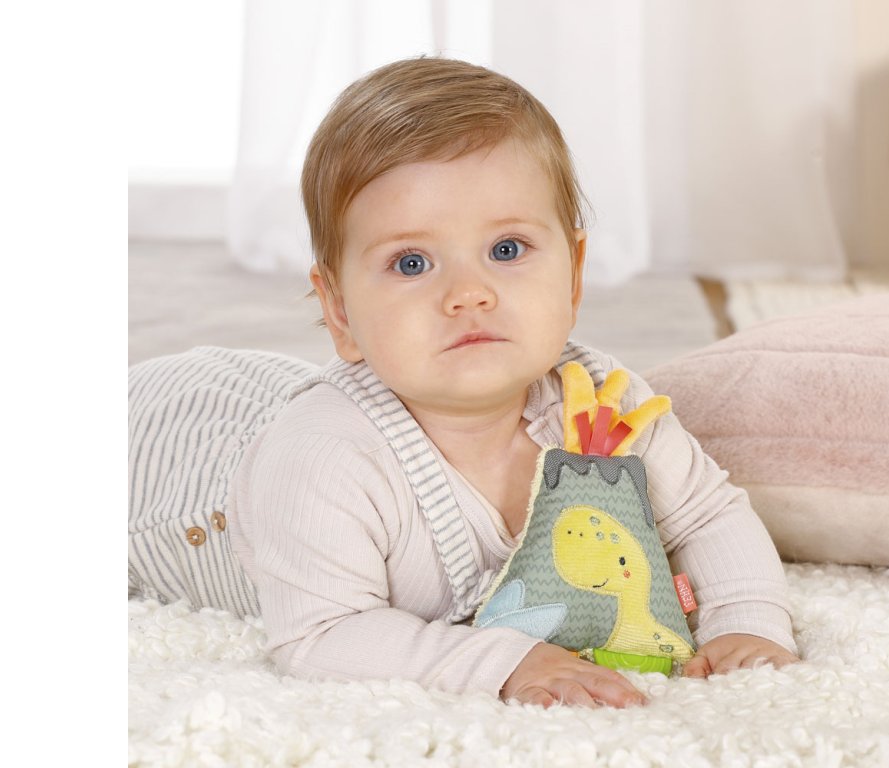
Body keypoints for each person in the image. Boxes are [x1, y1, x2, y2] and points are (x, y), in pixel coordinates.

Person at [128, 57, 798, 709]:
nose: (469, 293)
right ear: (340, 311)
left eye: (506, 250)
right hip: (164, 455)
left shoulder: (603, 405)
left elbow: (710, 515)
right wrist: (504, 661)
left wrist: (746, 620)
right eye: (411, 263)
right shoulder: (322, 459)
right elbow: (321, 635)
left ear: (573, 273)